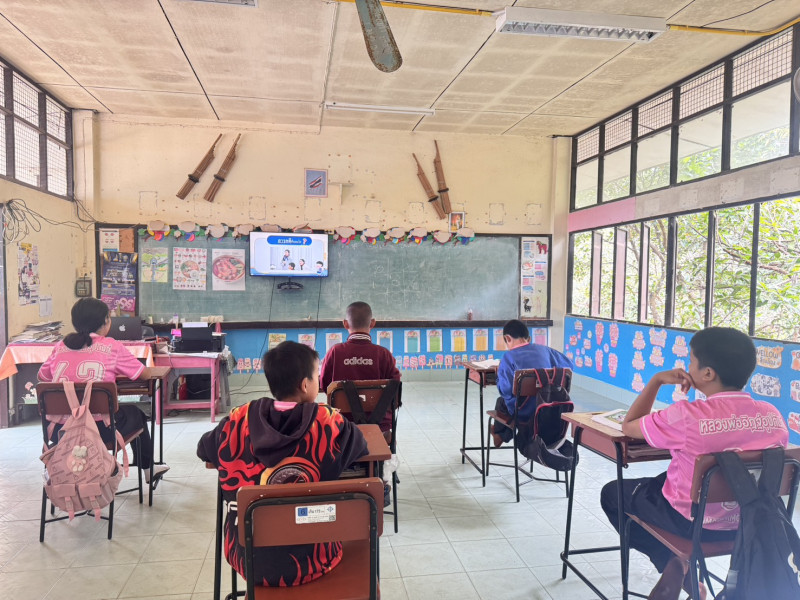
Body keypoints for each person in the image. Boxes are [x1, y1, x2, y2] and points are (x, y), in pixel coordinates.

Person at [601, 327, 788, 600]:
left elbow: (629, 425)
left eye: (691, 361)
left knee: (612, 493)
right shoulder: (773, 417)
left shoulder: (686, 416)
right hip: (753, 522)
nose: (688, 367)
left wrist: (656, 380)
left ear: (707, 373)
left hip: (691, 524)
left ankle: (673, 563)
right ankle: (679, 565)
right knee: (666, 480)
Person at [197, 341, 367, 587]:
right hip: (314, 559)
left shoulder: (237, 420)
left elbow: (204, 449)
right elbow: (360, 445)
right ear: (305, 384)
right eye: (317, 375)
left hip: (249, 558)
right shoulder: (328, 423)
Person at [38, 297, 169, 485]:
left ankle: (58, 473)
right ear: (106, 321)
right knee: (136, 414)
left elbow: (43, 376)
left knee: (128, 413)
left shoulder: (60, 346)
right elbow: (145, 374)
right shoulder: (112, 346)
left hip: (60, 431)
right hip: (101, 431)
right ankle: (148, 469)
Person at [320, 301, 401, 433]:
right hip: (379, 428)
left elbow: (325, 385)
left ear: (345, 324)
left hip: (342, 426)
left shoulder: (335, 352)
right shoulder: (384, 354)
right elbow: (395, 390)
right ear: (372, 323)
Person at [490, 319, 573, 447]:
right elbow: (568, 366)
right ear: (528, 338)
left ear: (507, 338)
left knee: (502, 401)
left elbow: (505, 391)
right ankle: (500, 434)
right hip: (548, 408)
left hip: (524, 413)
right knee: (516, 400)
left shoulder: (509, 357)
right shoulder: (545, 350)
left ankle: (500, 434)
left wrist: (498, 377)